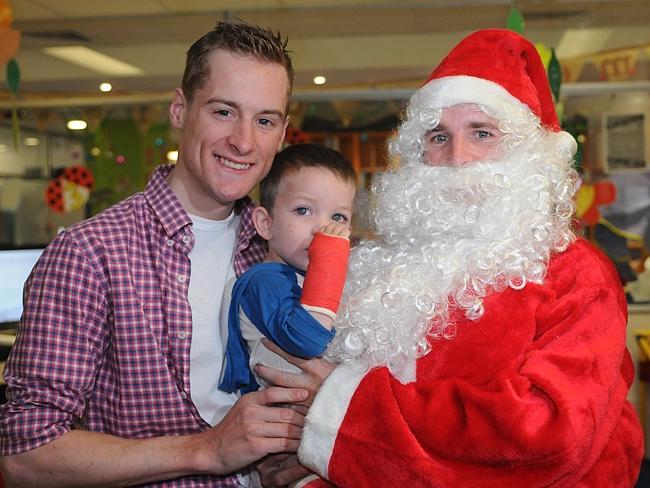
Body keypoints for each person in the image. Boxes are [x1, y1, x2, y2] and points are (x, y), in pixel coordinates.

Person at [257, 29, 645, 487]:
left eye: (482, 133)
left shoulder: (576, 274)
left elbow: (549, 432)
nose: (458, 158)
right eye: (439, 136)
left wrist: (344, 411)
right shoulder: (384, 264)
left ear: (528, 154)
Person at [0, 20, 309, 487]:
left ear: (282, 132)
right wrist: (207, 450)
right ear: (181, 110)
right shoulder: (89, 254)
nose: (244, 141)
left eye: (264, 120)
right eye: (224, 112)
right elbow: (25, 455)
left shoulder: (284, 252)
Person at [219, 143, 356, 396]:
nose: (322, 228)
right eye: (303, 210)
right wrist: (329, 259)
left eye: (338, 217)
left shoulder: (305, 279)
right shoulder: (263, 281)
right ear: (265, 223)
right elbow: (308, 340)